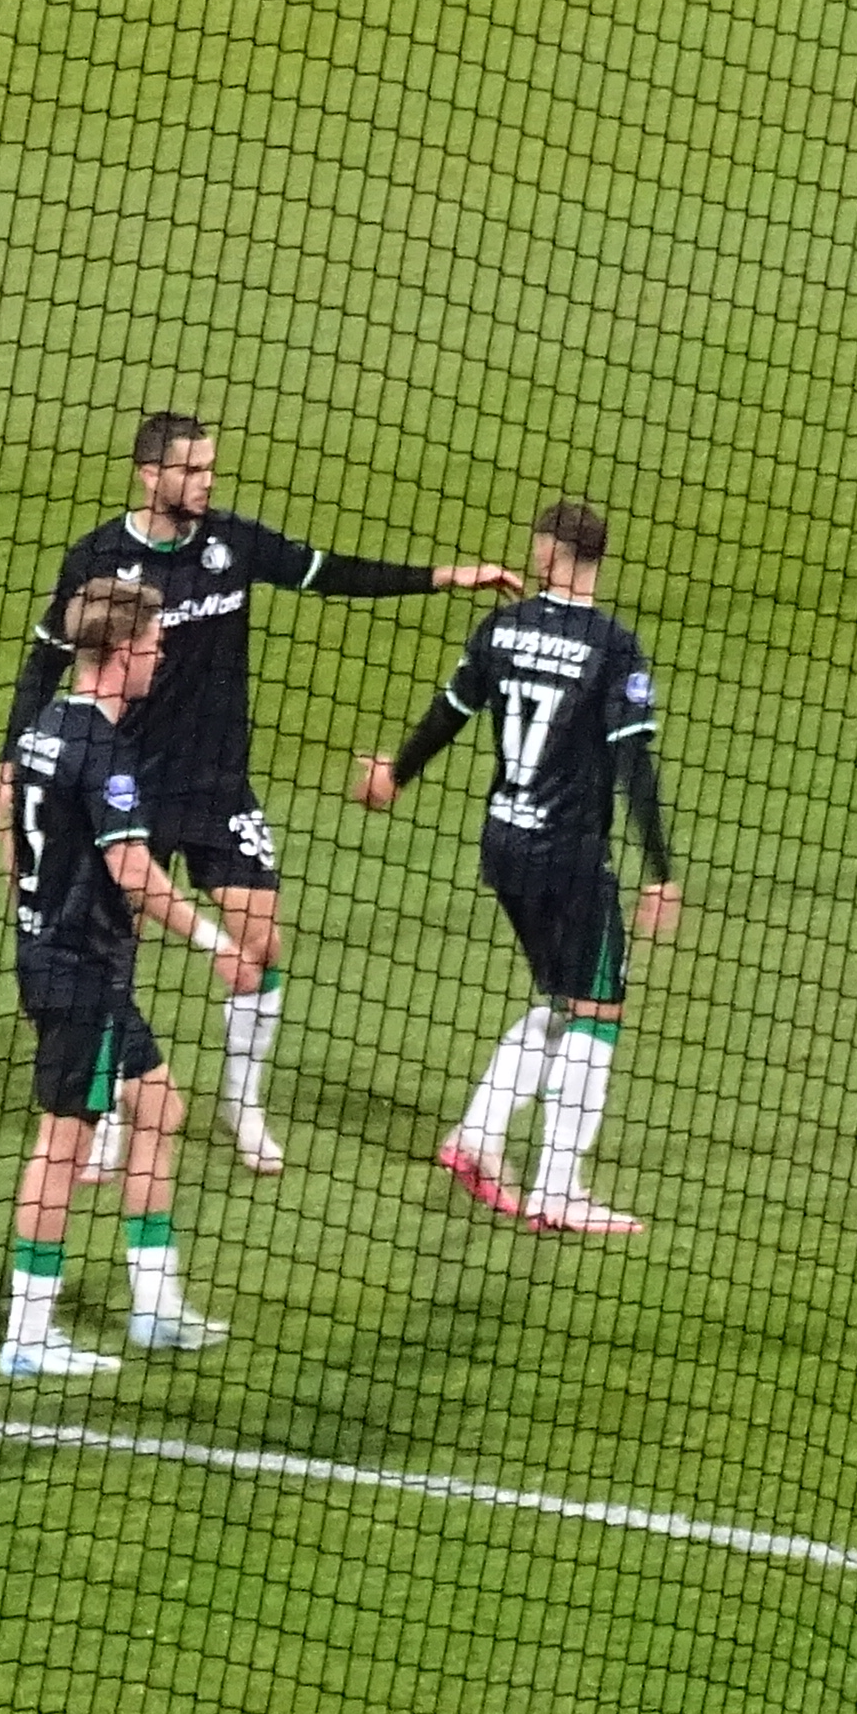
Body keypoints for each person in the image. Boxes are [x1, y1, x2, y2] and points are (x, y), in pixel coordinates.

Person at [0, 410, 503, 1179]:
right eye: (191, 471)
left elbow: (330, 572)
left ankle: (243, 1103)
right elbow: (45, 662)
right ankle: (97, 1116)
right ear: (149, 474)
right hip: (122, 784)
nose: (205, 482)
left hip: (218, 784)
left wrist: (442, 577)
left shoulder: (232, 544)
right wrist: (9, 765)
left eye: (209, 469)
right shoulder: (99, 557)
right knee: (108, 953)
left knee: (262, 940)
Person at [351, 501, 680, 1238]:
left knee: (564, 1000)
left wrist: (394, 777)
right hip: (570, 855)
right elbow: (635, 765)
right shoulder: (613, 646)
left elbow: (447, 716)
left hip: (504, 844)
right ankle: (558, 1189)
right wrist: (661, 871)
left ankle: (476, 1138)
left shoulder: (500, 628)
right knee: (599, 1010)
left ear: (545, 554)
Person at [0, 575, 245, 1379]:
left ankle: (154, 1306)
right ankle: (29, 1333)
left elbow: (7, 820)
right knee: (61, 1143)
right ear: (123, 652)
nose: (161, 654)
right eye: (155, 644)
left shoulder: (41, 730)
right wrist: (216, 942)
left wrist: (31, 903)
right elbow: (135, 871)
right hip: (82, 969)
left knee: (160, 1107)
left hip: (55, 953)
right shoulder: (103, 751)